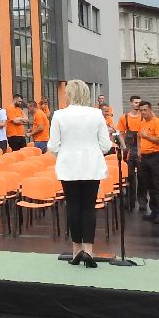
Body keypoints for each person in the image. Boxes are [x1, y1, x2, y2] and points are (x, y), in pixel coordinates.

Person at [48, 79, 111, 268]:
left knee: (73, 206)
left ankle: (76, 250)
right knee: (89, 207)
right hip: (91, 166)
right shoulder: (97, 114)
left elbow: (53, 145)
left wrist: (64, 154)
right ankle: (89, 250)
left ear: (68, 94)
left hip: (68, 166)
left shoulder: (59, 115)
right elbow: (106, 145)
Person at [136, 102, 159, 222]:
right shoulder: (142, 123)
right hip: (145, 157)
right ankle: (154, 212)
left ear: (150, 110)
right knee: (149, 185)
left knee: (157, 185)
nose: (143, 112)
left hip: (156, 156)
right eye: (141, 110)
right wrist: (139, 150)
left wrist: (147, 137)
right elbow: (139, 137)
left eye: (145, 110)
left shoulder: (157, 122)